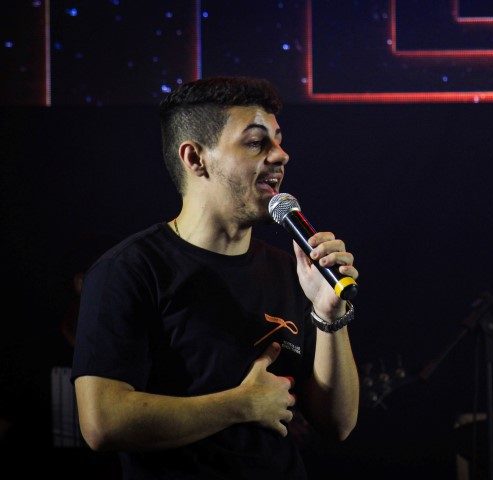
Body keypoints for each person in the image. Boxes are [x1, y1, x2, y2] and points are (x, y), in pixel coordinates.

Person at [71, 76, 360, 479]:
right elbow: (102, 422)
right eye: (257, 142)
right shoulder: (129, 270)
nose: (281, 155)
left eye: (279, 141)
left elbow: (339, 423)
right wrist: (240, 405)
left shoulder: (295, 271)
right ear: (195, 158)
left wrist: (330, 316)